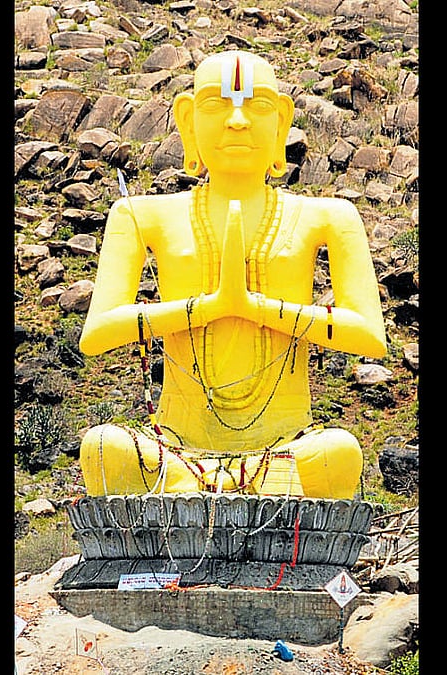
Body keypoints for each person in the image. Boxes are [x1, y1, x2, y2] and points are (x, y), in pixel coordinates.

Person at [78, 50, 386, 499]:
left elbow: (369, 336)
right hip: (176, 449)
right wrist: (209, 308)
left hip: (282, 448)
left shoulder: (329, 216)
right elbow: (96, 335)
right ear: (187, 120)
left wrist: (257, 308)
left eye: (257, 105)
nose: (238, 121)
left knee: (339, 450)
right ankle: (206, 491)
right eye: (216, 105)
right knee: (105, 447)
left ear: (282, 121)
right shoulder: (140, 215)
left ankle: (205, 499)